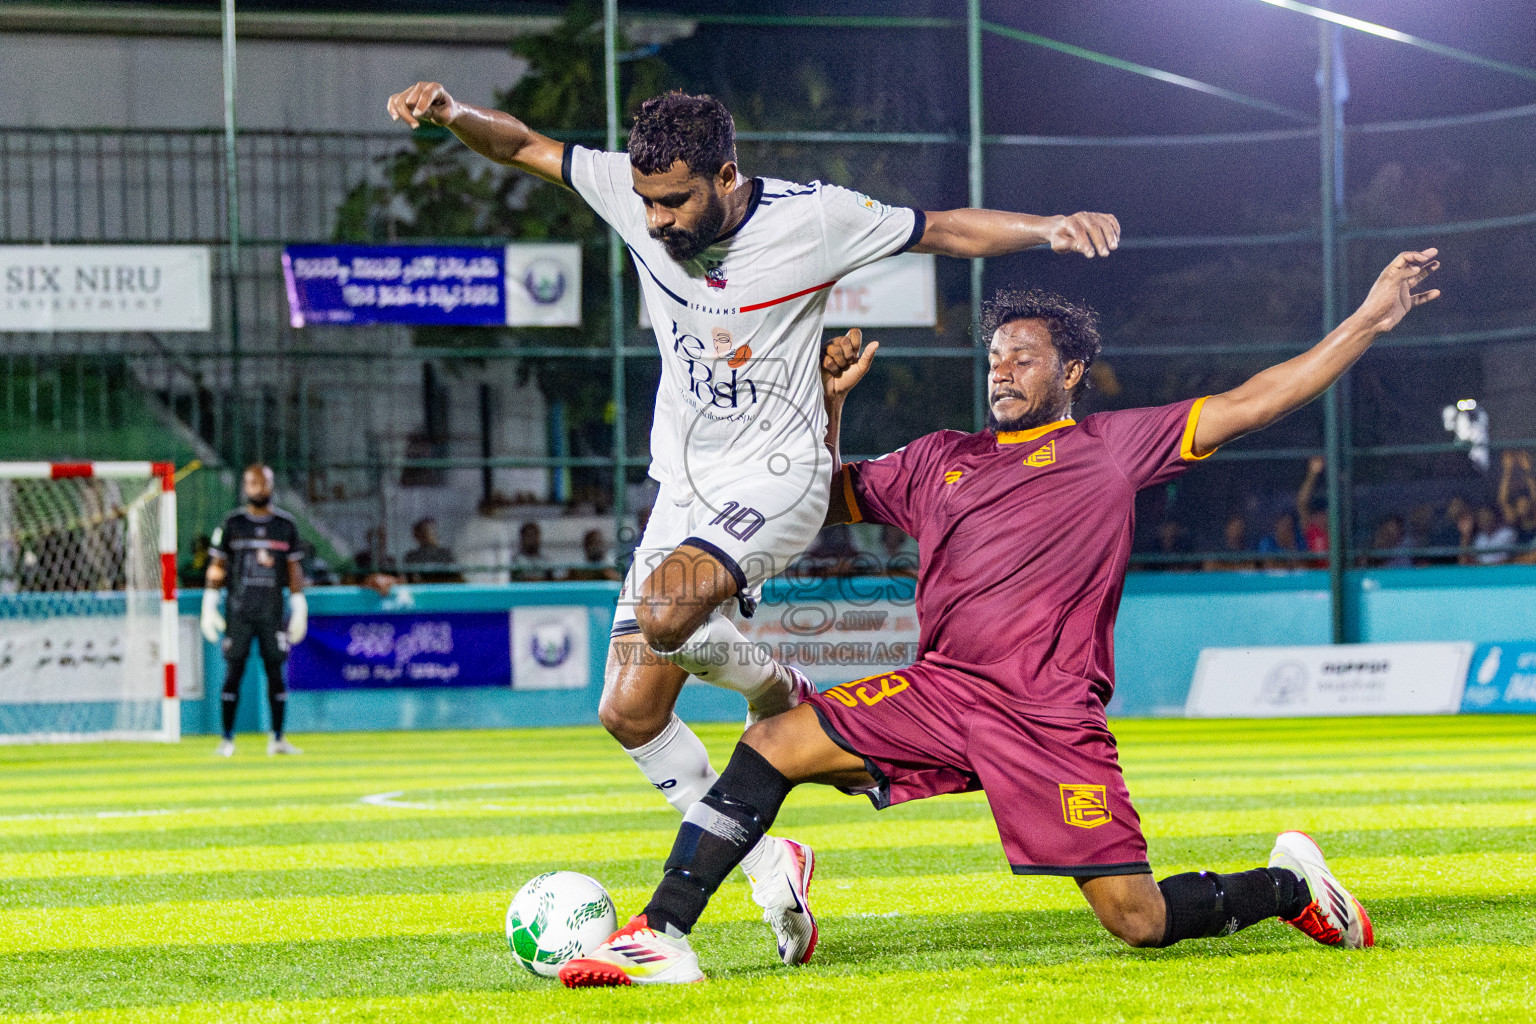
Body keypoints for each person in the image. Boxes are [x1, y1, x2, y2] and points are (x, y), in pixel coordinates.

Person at [557, 248, 1441, 987]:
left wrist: (1365, 318)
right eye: (995, 359)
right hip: (942, 691)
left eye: (1023, 358)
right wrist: (830, 405)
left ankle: (1293, 888)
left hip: (1049, 717)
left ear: (1071, 372)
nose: (1003, 372)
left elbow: (1265, 395)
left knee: (1137, 920)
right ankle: (662, 932)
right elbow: (814, 501)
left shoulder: (1111, 449)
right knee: (776, 741)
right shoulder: (941, 459)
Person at [387, 81, 1121, 963]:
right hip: (685, 489)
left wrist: (1047, 227)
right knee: (627, 712)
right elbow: (522, 146)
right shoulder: (632, 187)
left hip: (781, 476)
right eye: (647, 201)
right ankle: (775, 861)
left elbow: (946, 227)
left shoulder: (816, 219)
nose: (655, 220)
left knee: (665, 612)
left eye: (674, 202)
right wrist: (453, 112)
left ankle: (778, 695)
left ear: (726, 174)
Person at [201, 464, 307, 757]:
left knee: (276, 673)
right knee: (233, 672)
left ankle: (278, 738)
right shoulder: (232, 524)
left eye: (264, 483)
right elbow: (217, 566)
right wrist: (209, 603)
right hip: (239, 612)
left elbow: (294, 568)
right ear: (245, 486)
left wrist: (299, 606)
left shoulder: (285, 525)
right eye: (252, 483)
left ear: (272, 485)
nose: (258, 488)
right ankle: (227, 739)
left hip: (272, 612)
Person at [402, 517, 462, 583]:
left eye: (433, 531)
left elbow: (456, 578)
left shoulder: (445, 553)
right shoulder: (411, 557)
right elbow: (410, 581)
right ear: (417, 535)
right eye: (425, 532)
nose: (431, 535)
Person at [1296, 456, 1329, 568]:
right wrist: (1312, 474)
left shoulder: (1336, 531)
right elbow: (1302, 503)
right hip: (1314, 577)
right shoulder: (1310, 528)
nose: (1322, 518)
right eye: (1318, 514)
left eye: (1324, 514)